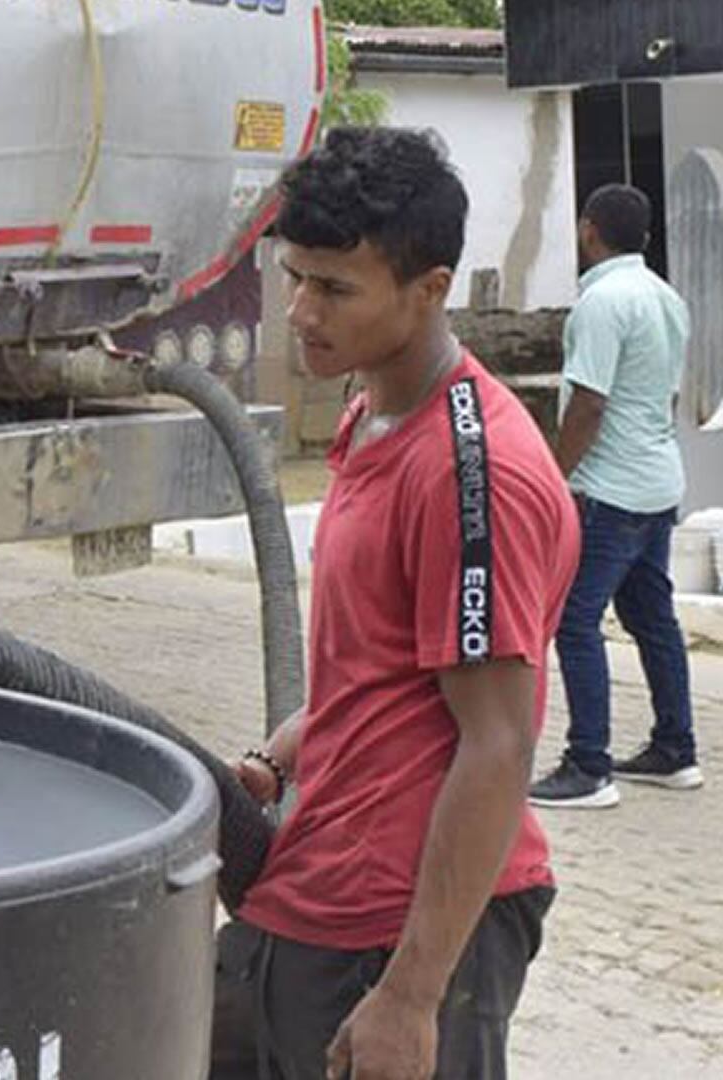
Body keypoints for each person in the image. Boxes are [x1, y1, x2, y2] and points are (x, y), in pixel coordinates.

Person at [227, 127, 579, 1080]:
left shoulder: (475, 475)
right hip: (312, 886)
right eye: (296, 276)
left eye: (335, 288)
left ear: (431, 290)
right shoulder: (371, 409)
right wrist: (280, 756)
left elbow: (499, 741)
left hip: (399, 931)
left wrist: (415, 997)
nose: (300, 311)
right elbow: (385, 668)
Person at [527, 184, 702, 809]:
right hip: (658, 482)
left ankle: (588, 765)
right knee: (653, 617)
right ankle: (676, 751)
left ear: (589, 229)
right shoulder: (665, 298)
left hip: (610, 491)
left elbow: (589, 404)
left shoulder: (601, 302)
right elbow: (665, 396)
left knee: (575, 621)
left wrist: (550, 477)